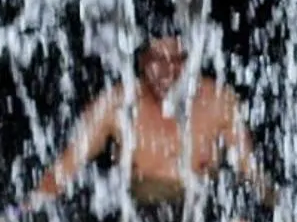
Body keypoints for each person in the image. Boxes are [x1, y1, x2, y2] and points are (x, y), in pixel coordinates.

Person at [22, 33, 267, 212]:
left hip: (202, 216)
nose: (168, 71)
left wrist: (282, 209)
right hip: (140, 216)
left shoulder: (219, 101)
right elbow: (63, 171)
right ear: (141, 62)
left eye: (178, 59)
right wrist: (16, 214)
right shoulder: (115, 105)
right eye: (157, 59)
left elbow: (251, 173)